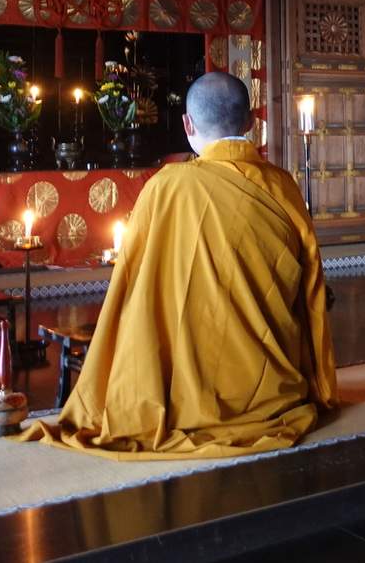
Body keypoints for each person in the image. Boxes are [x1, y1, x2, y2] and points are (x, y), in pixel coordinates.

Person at [23, 72, 337, 459]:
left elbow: (133, 286)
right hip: (274, 389)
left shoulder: (166, 187)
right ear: (250, 122)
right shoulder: (283, 185)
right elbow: (311, 289)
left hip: (184, 395)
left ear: (188, 124)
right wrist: (320, 381)